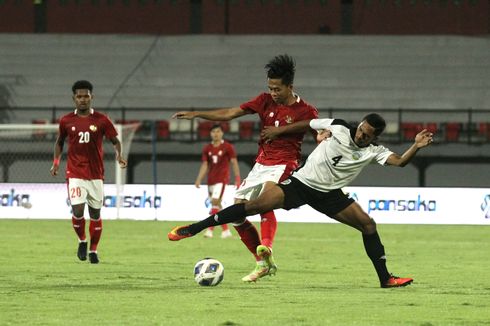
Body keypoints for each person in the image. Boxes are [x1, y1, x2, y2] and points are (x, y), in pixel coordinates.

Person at [168, 113, 434, 288]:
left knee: (368, 225)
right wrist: (280, 130)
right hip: (301, 184)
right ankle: (196, 228)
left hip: (331, 195)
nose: (361, 135)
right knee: (253, 206)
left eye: (367, 134)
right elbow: (308, 124)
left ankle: (385, 279)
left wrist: (415, 147)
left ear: (375, 137)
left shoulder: (374, 151)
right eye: (362, 129)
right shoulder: (339, 127)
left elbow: (399, 162)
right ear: (360, 124)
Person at [172, 54, 318, 282]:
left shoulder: (307, 111)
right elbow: (230, 113)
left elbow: (319, 137)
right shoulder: (264, 101)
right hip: (261, 163)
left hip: (285, 162)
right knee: (238, 211)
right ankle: (262, 263)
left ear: (290, 86)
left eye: (278, 89)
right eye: (270, 88)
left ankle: (266, 247)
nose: (273, 93)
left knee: (265, 198)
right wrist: (198, 114)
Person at [50, 80, 127, 264]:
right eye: (79, 96)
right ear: (74, 98)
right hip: (75, 173)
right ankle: (82, 241)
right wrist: (56, 162)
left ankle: (93, 250)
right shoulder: (66, 120)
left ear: (92, 97)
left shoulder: (101, 120)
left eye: (86, 96)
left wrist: (119, 155)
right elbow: (60, 142)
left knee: (95, 214)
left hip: (96, 175)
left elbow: (115, 141)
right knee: (77, 210)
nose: (83, 99)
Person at [195, 123, 241, 239]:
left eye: (218, 131)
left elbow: (234, 162)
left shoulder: (228, 147)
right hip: (211, 179)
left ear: (222, 133)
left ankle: (209, 230)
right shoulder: (207, 148)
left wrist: (237, 178)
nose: (216, 134)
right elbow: (205, 164)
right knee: (217, 205)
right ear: (210, 134)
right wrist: (199, 179)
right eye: (213, 132)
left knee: (215, 202)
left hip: (222, 179)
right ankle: (226, 230)